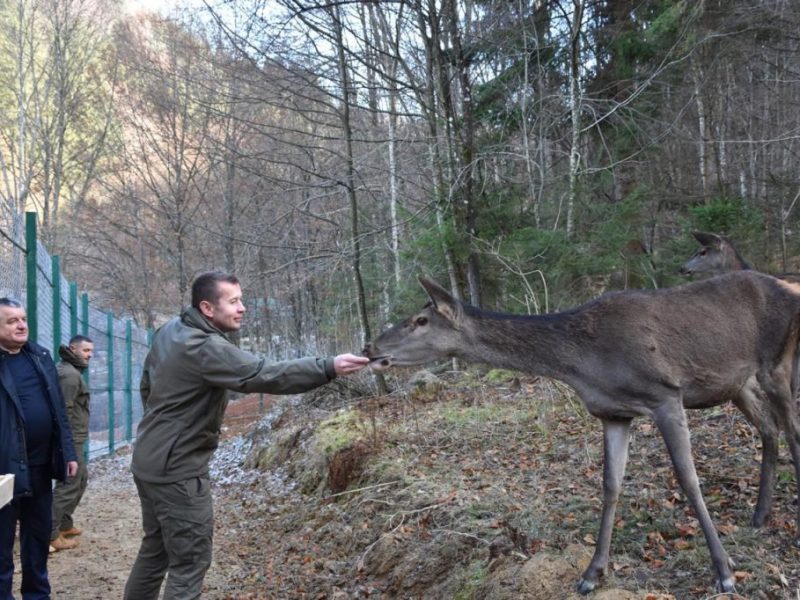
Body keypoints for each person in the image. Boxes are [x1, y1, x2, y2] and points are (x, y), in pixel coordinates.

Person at [124, 271, 369, 600]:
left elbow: (147, 385)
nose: (243, 308)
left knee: (156, 551)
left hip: (150, 458)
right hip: (177, 470)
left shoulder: (171, 330)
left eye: (242, 300)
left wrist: (162, 431)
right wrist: (328, 366)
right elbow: (263, 373)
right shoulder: (203, 346)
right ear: (208, 308)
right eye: (234, 301)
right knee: (190, 560)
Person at [0, 298, 78, 599]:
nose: (21, 325)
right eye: (12, 321)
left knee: (36, 540)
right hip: (4, 472)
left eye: (23, 319)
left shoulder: (39, 356)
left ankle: (37, 595)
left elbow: (59, 410)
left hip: (41, 467)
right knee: (2, 548)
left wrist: (68, 452)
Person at [49, 335, 94, 552]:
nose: (89, 355)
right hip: (71, 438)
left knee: (80, 479)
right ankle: (50, 534)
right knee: (69, 484)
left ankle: (64, 525)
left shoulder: (73, 372)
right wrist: (65, 443)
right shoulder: (68, 375)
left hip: (77, 437)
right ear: (72, 349)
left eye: (90, 351)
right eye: (85, 351)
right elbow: (63, 412)